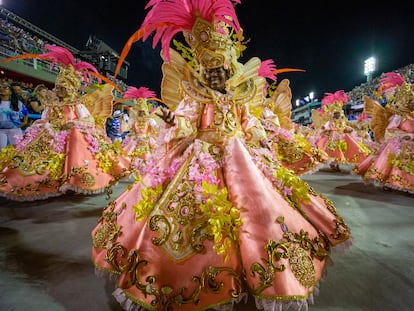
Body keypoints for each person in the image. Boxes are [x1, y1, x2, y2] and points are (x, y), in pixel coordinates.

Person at [91, 1, 351, 310]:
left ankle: (258, 270)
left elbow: (249, 122)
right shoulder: (195, 94)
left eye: (220, 68)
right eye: (210, 68)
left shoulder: (239, 94)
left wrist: (256, 134)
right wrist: (174, 122)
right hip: (200, 156)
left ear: (228, 66)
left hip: (239, 155)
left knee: (261, 210)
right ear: (202, 68)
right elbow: (186, 121)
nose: (216, 74)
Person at [0, 44, 131, 201]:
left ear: (70, 89)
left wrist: (73, 124)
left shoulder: (76, 105)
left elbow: (88, 119)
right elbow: (43, 119)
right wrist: (47, 126)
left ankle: (74, 180)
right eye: (58, 88)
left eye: (63, 88)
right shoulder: (52, 104)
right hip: (50, 135)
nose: (59, 91)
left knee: (76, 139)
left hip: (70, 135)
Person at [353, 72, 414, 193]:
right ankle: (390, 180)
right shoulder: (399, 117)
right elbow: (390, 130)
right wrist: (405, 136)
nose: (411, 103)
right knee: (394, 160)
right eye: (410, 101)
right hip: (401, 143)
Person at [312, 90, 371, 171]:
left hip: (342, 136)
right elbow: (325, 126)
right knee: (333, 151)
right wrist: (323, 130)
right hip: (332, 138)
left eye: (339, 114)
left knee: (348, 149)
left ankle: (338, 164)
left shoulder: (342, 119)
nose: (339, 116)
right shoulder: (331, 121)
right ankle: (334, 164)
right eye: (337, 114)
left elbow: (345, 126)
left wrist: (349, 129)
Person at [0, 82, 28, 148]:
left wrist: (25, 122)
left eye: (5, 88)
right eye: (0, 87)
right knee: (1, 151)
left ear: (10, 92)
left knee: (18, 149)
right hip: (1, 130)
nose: (1, 89)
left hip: (15, 130)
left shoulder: (17, 103)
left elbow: (26, 112)